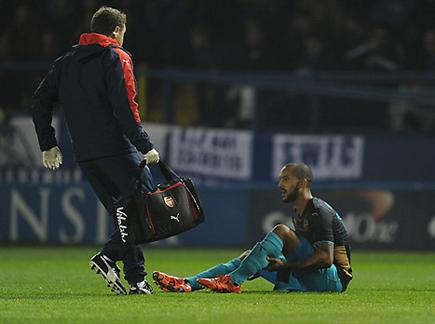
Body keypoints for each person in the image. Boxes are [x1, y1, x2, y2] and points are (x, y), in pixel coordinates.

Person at [32, 6, 159, 295]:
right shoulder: (116, 57)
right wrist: (145, 145)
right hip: (116, 148)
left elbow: (39, 100)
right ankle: (108, 257)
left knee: (125, 217)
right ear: (116, 30)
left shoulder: (66, 61)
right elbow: (125, 108)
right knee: (145, 206)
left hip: (86, 154)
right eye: (124, 31)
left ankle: (137, 281)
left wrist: (48, 142)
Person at [153, 163, 352, 293]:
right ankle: (186, 283)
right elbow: (302, 253)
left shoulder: (319, 211)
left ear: (303, 182)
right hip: (311, 276)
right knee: (248, 257)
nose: (279, 184)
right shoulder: (299, 211)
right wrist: (276, 263)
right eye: (280, 179)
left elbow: (326, 259)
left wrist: (286, 266)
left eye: (286, 179)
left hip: (334, 280)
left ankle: (233, 281)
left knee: (281, 231)